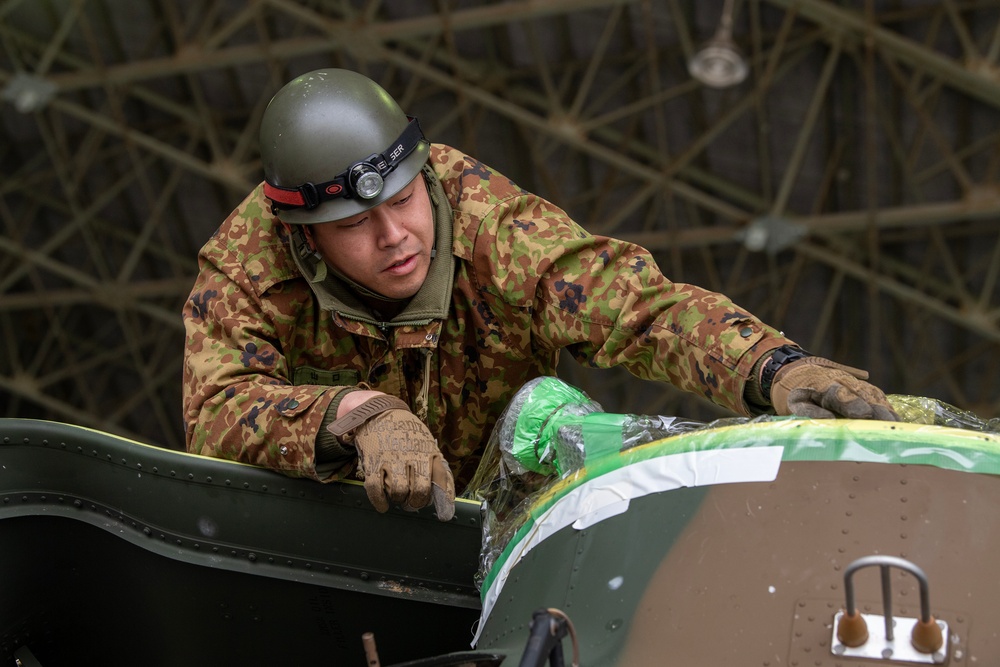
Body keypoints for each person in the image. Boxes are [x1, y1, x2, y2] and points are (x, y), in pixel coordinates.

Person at [182, 68, 897, 522]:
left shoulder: (489, 222)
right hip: (344, 536)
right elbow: (215, 412)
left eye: (405, 201)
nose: (396, 233)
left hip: (506, 519)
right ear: (305, 235)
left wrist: (771, 367)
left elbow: (633, 304)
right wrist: (356, 414)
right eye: (358, 223)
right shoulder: (247, 265)